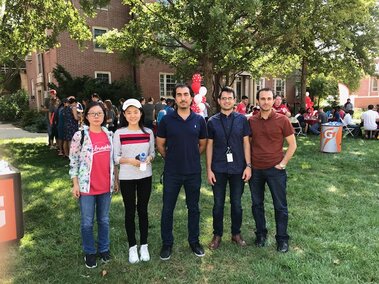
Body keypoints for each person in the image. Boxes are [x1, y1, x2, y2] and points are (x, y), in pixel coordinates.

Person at [156, 83, 207, 260]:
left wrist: (191, 156)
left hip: (193, 172)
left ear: (191, 97)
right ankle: (167, 243)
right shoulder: (167, 120)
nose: (183, 98)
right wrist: (170, 158)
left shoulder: (199, 120)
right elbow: (160, 145)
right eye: (179, 95)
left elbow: (202, 144)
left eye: (186, 94)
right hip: (172, 173)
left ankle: (194, 241)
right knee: (167, 209)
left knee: (194, 208)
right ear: (175, 98)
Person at [248, 88, 297, 253]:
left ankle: (282, 239)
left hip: (276, 170)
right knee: (257, 205)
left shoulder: (283, 120)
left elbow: (293, 144)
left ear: (274, 100)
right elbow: (246, 144)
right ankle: (261, 234)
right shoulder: (252, 121)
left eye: (269, 98)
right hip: (256, 170)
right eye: (262, 99)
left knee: (280, 206)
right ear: (257, 101)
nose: (266, 101)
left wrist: (283, 163)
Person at [69, 101, 116, 269]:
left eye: (100, 113)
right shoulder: (79, 136)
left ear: (105, 116)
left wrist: (115, 181)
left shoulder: (109, 135)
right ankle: (89, 252)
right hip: (86, 186)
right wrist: (75, 184)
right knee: (87, 222)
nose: (96, 117)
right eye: (92, 114)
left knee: (104, 220)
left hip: (105, 186)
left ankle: (104, 249)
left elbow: (113, 161)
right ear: (86, 116)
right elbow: (73, 161)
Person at [206, 86, 251, 250]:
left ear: (234, 101)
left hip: (238, 167)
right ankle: (217, 235)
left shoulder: (242, 120)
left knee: (237, 203)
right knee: (218, 204)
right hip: (218, 168)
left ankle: (236, 234)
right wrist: (209, 169)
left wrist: (248, 166)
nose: (226, 101)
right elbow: (209, 146)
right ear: (219, 101)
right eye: (223, 98)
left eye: (229, 98)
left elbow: (246, 143)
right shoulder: (212, 121)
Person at [113, 99, 155, 264]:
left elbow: (152, 152)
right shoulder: (119, 133)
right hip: (127, 177)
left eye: (135, 112)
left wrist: (149, 158)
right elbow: (116, 158)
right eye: (129, 112)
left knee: (143, 210)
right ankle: (132, 246)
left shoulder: (148, 133)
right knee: (130, 211)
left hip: (145, 176)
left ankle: (143, 244)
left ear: (141, 113)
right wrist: (132, 161)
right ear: (124, 114)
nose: (132, 115)